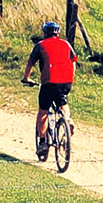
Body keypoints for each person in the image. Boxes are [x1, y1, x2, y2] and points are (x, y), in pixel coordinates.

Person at [22, 21, 76, 157]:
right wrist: (70, 76)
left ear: (45, 33)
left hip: (49, 82)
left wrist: (26, 78)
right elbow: (73, 62)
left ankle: (42, 143)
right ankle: (67, 119)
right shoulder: (66, 44)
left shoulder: (40, 45)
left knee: (43, 113)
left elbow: (30, 64)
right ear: (58, 33)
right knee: (62, 101)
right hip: (66, 81)